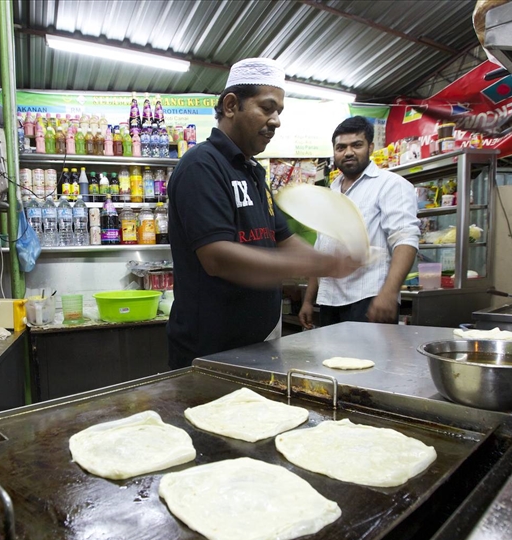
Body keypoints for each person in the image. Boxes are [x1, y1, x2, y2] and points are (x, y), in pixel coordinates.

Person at [167, 58, 360, 369]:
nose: (276, 121)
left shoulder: (253, 172)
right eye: (267, 108)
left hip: (259, 343)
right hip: (211, 349)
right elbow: (217, 257)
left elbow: (282, 239)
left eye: (279, 112)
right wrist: (316, 263)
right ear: (231, 105)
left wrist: (328, 261)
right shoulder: (201, 165)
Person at [299, 116, 419, 329]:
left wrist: (389, 293)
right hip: (330, 301)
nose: (348, 152)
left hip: (370, 298)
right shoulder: (331, 192)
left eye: (356, 145)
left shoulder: (391, 186)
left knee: (369, 362)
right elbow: (322, 249)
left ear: (370, 147)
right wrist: (309, 300)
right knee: (331, 362)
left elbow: (405, 240)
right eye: (341, 147)